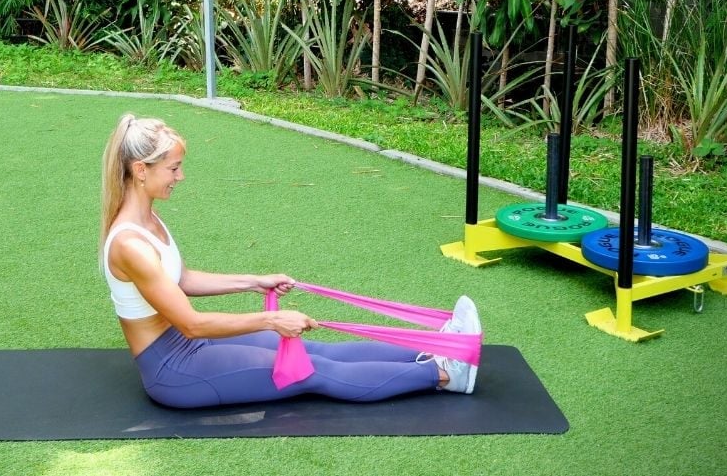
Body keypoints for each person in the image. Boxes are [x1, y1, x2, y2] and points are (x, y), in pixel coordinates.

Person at [100, 113, 481, 409]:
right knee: (310, 371)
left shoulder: (148, 220)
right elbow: (193, 324)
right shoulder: (130, 244)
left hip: (186, 346)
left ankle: (438, 348)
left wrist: (255, 281)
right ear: (140, 171)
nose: (180, 177)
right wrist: (272, 319)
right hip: (174, 368)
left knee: (315, 350)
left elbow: (180, 279)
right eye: (173, 168)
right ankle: (445, 374)